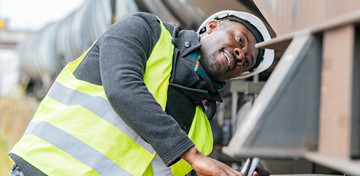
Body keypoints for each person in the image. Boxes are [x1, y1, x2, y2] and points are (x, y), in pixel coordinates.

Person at [9, 10, 274, 176]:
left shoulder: (201, 133)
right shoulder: (146, 30)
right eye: (240, 40)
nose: (241, 55)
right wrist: (193, 157)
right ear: (213, 26)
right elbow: (122, 87)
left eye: (247, 62)